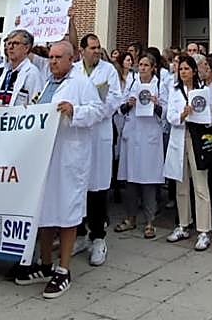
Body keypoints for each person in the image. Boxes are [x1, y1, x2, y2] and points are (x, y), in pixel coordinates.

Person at [13, 40, 103, 299]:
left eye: (57, 57)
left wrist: (75, 111)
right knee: (45, 212)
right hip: (45, 158)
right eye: (50, 57)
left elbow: (97, 111)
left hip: (69, 159)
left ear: (71, 59)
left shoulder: (81, 83)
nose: (52, 61)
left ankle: (63, 270)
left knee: (66, 213)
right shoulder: (46, 84)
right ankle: (44, 264)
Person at [74, 32, 123, 266]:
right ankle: (79, 235)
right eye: (92, 47)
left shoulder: (108, 70)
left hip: (100, 133)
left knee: (98, 188)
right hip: (78, 136)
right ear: (82, 50)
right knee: (78, 187)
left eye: (98, 48)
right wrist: (83, 113)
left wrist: (91, 113)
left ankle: (98, 238)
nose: (96, 51)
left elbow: (114, 100)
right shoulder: (74, 70)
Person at [114, 54, 166, 238]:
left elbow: (166, 114)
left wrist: (156, 105)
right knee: (130, 182)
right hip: (133, 138)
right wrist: (128, 104)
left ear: (153, 68)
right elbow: (119, 109)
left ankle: (150, 221)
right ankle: (130, 218)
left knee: (149, 183)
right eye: (140, 64)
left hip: (150, 138)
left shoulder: (160, 85)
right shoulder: (131, 83)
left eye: (146, 65)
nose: (142, 68)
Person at [164, 55, 212, 250]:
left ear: (194, 70)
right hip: (179, 138)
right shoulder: (174, 91)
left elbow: (211, 117)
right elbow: (169, 116)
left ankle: (203, 230)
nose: (183, 72)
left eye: (186, 69)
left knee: (200, 185)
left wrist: (201, 116)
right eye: (180, 69)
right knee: (181, 185)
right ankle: (183, 224)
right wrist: (181, 115)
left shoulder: (203, 91)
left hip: (197, 139)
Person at [0, 29, 44, 109]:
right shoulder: (3, 71)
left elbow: (36, 105)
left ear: (26, 48)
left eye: (15, 43)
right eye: (9, 43)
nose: (10, 47)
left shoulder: (32, 73)